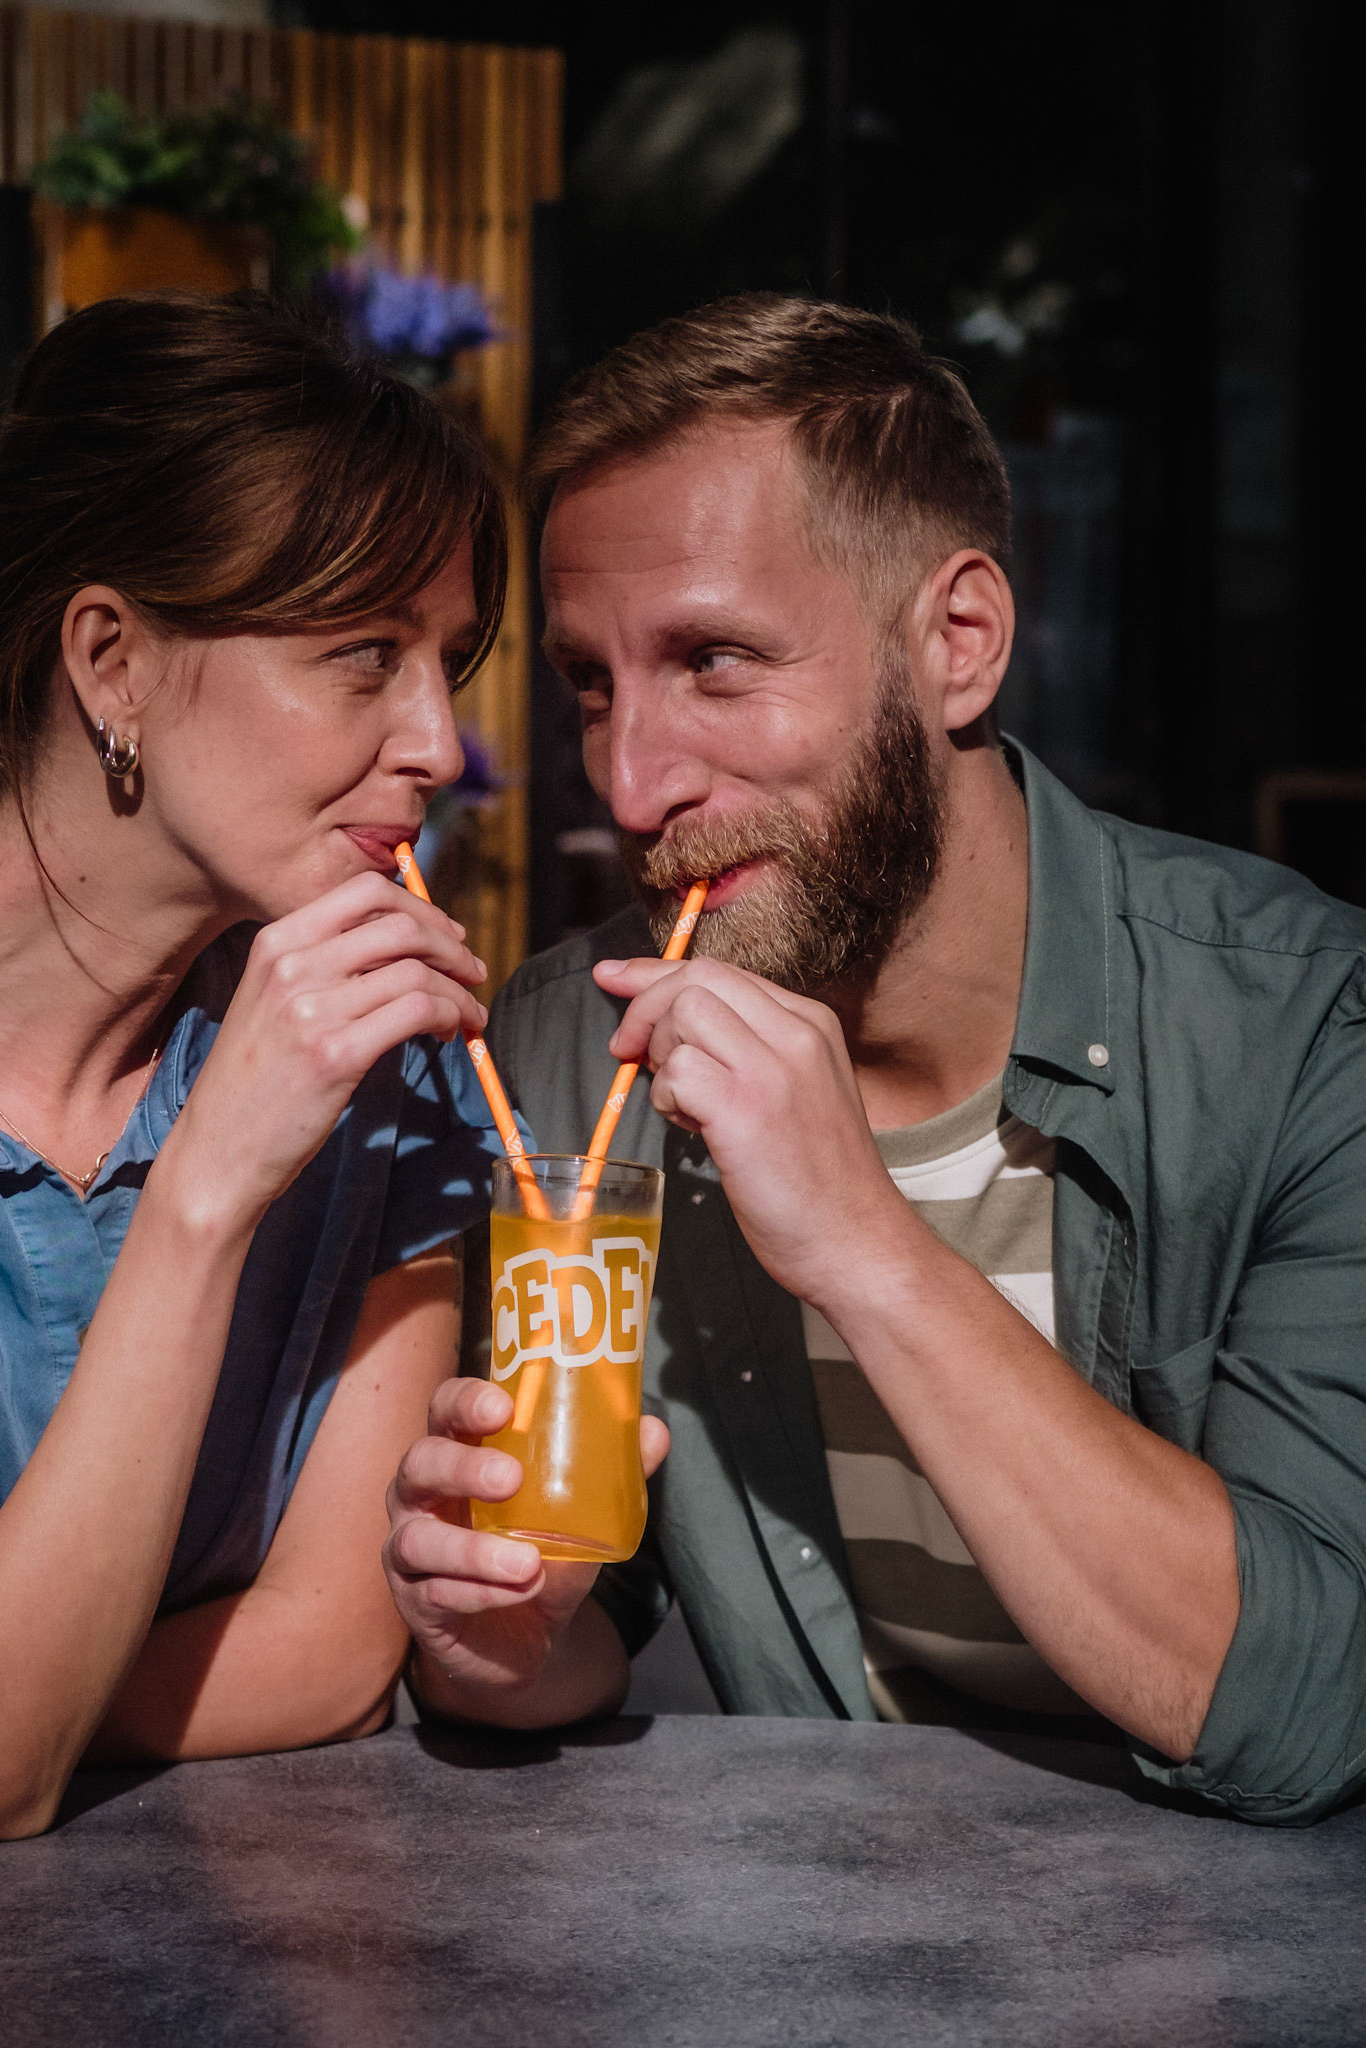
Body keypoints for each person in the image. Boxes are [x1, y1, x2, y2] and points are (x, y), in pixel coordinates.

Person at [383, 294, 1366, 1825]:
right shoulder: (571, 1044)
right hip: (829, 1907)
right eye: (591, 683)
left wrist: (864, 1245)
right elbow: (580, 1619)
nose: (630, 784)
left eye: (715, 660)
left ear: (958, 643)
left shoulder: (1301, 1030)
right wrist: (492, 1640)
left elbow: (1309, 1713)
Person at [0, 291, 509, 1855]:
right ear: (113, 661)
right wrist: (210, 1187)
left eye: (450, 661)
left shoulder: (387, 1067)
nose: (438, 741)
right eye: (363, 654)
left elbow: (333, 1651)